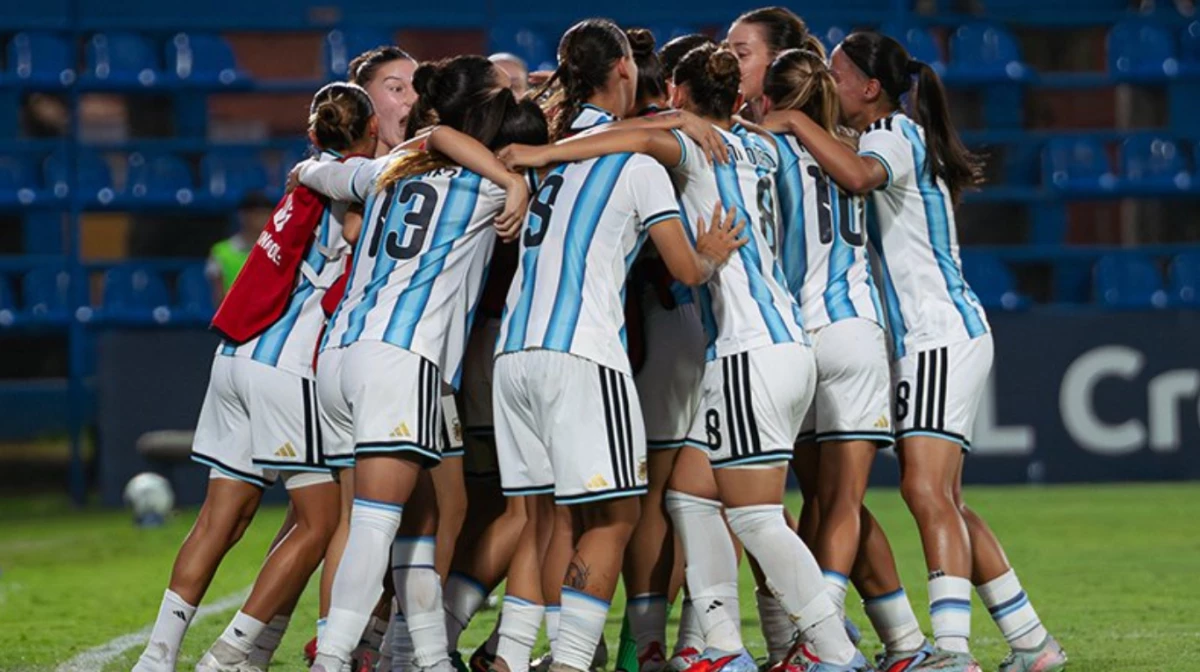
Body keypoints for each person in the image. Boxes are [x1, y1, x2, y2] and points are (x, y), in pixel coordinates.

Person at [500, 40, 871, 672]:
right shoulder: (763, 144)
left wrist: (543, 152)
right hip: (767, 341)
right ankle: (723, 647)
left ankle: (834, 651)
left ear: (677, 94)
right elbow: (663, 129)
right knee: (693, 496)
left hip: (752, 346)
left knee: (754, 517)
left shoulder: (689, 147)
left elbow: (633, 137)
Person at [766, 30, 1067, 672]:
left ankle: (952, 653)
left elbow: (855, 177)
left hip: (935, 333)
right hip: (934, 336)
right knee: (945, 500)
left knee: (924, 492)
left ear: (871, 88)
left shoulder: (890, 137)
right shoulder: (889, 133)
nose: (830, 83)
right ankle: (1032, 643)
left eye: (838, 74)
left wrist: (791, 119)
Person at [487, 19, 746, 672]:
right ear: (625, 71)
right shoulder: (636, 164)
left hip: (513, 355)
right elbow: (685, 270)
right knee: (616, 517)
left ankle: (519, 656)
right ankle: (572, 662)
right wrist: (711, 254)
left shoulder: (543, 146)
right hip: (582, 352)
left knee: (548, 521)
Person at [293, 56, 540, 672]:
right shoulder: (487, 185)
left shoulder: (384, 170)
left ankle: (427, 659)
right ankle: (334, 660)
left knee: (419, 523)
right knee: (378, 525)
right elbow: (449, 143)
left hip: (340, 355)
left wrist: (311, 162)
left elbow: (315, 169)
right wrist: (515, 181)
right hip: (400, 358)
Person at [133, 82, 374, 672]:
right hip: (287, 362)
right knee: (321, 523)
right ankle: (228, 655)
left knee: (222, 517)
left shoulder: (303, 179)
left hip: (237, 353)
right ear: (366, 130)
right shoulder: (350, 180)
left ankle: (157, 655)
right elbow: (351, 235)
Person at [760, 47, 940, 672]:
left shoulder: (767, 149)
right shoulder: (851, 146)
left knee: (809, 502)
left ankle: (822, 642)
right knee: (840, 503)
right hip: (853, 331)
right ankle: (862, 643)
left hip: (792, 335)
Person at [205, 193, 273, 304]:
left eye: (266, 214)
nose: (263, 219)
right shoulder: (221, 251)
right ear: (243, 216)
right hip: (233, 316)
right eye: (257, 214)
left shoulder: (277, 249)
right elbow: (218, 298)